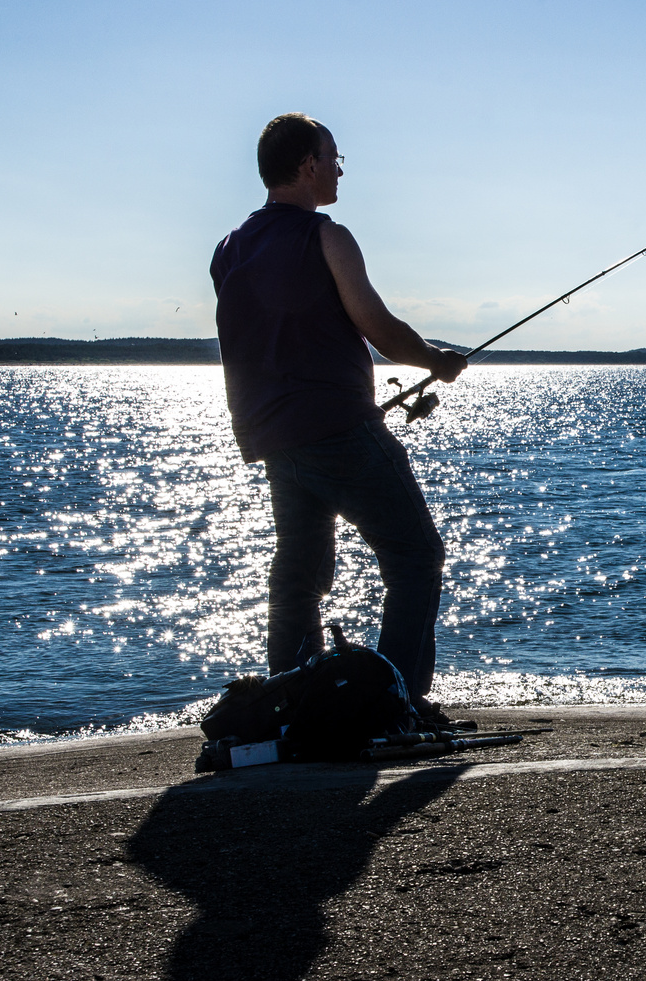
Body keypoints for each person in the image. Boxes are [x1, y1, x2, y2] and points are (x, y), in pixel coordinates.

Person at [210, 112, 466, 718]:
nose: (340, 169)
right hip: (337, 428)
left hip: (271, 435)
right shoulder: (325, 235)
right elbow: (374, 324)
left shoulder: (230, 247)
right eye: (333, 157)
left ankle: (292, 698)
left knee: (300, 572)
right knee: (415, 555)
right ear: (307, 165)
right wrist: (436, 359)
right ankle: (396, 698)